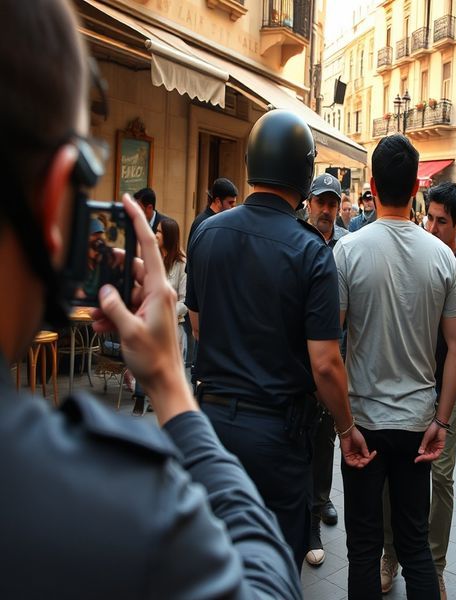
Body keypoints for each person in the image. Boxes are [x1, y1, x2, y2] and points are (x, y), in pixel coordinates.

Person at [0, 1, 301, 595]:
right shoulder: (118, 510)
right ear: (59, 195)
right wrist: (169, 384)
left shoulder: (208, 234)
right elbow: (267, 580)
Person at [186, 109, 373, 574]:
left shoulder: (207, 233)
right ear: (304, 174)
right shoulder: (311, 250)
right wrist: (347, 429)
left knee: (213, 560)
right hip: (276, 434)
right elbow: (326, 363)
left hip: (209, 424)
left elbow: (196, 323)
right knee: (272, 565)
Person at [333, 134, 456, 600]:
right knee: (415, 546)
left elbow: (331, 345)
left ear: (372, 184)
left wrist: (342, 423)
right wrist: (442, 421)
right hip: (416, 423)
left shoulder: (347, 252)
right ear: (417, 187)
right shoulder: (442, 257)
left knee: (363, 548)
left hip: (364, 424)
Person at [381, 181, 456, 598]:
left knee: (440, 479)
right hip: (409, 385)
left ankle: (434, 564)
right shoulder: (417, 254)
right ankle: (391, 556)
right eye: (430, 217)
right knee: (394, 475)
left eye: (443, 221)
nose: (432, 226)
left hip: (450, 391)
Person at [303, 173, 349, 566]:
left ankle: (319, 504)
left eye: (333, 203)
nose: (327, 210)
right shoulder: (297, 238)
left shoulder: (345, 244)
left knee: (326, 436)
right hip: (300, 357)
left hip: (334, 353)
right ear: (309, 202)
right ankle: (306, 512)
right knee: (302, 436)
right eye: (322, 202)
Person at [155, 216, 188, 360]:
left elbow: (185, 300)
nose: (155, 235)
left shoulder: (181, 264)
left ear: (168, 236)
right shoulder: (152, 259)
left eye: (159, 232)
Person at [188, 177, 238, 248]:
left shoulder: (222, 220)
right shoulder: (202, 222)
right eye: (230, 203)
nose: (233, 207)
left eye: (234, 203)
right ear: (218, 201)